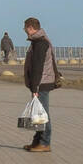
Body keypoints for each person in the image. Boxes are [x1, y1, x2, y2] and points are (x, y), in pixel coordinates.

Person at [22, 17, 59, 152]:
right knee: (38, 114)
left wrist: (35, 88)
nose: (24, 30)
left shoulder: (41, 43)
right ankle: (37, 141)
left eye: (25, 27)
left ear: (30, 28)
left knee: (43, 114)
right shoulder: (38, 41)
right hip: (41, 82)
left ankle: (44, 142)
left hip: (42, 83)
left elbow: (38, 67)